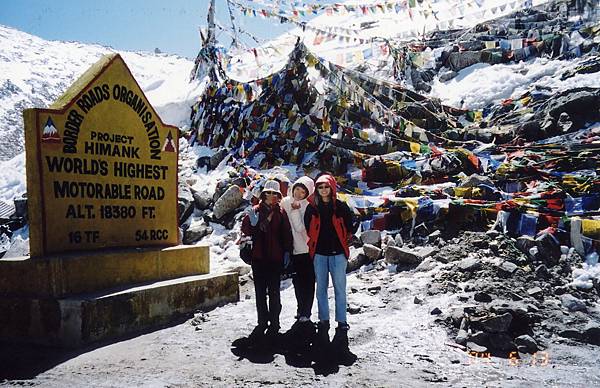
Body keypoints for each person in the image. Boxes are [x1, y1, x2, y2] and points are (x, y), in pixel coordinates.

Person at [304, 174, 354, 360]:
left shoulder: (341, 207)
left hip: (338, 253)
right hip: (319, 254)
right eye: (320, 187)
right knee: (321, 290)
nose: (323, 190)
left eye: (326, 186)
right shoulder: (312, 208)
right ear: (316, 189)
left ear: (332, 187)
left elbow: (350, 225)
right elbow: (307, 226)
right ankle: (323, 319)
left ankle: (342, 322)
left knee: (340, 289)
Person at [241, 179, 292, 341]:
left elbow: (286, 235)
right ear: (263, 194)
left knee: (275, 293)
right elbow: (246, 231)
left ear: (278, 196)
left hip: (275, 259)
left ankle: (275, 322)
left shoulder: (281, 213)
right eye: (268, 192)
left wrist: (287, 253)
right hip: (258, 258)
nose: (271, 196)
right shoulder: (254, 211)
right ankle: (262, 321)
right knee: (260, 293)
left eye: (274, 193)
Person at [280, 176, 315, 345]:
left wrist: (294, 211)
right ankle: (300, 309)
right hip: (291, 249)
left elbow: (301, 228)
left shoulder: (307, 206)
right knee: (297, 282)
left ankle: (306, 312)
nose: (299, 194)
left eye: (303, 192)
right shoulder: (285, 202)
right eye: (298, 189)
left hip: (305, 250)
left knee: (308, 282)